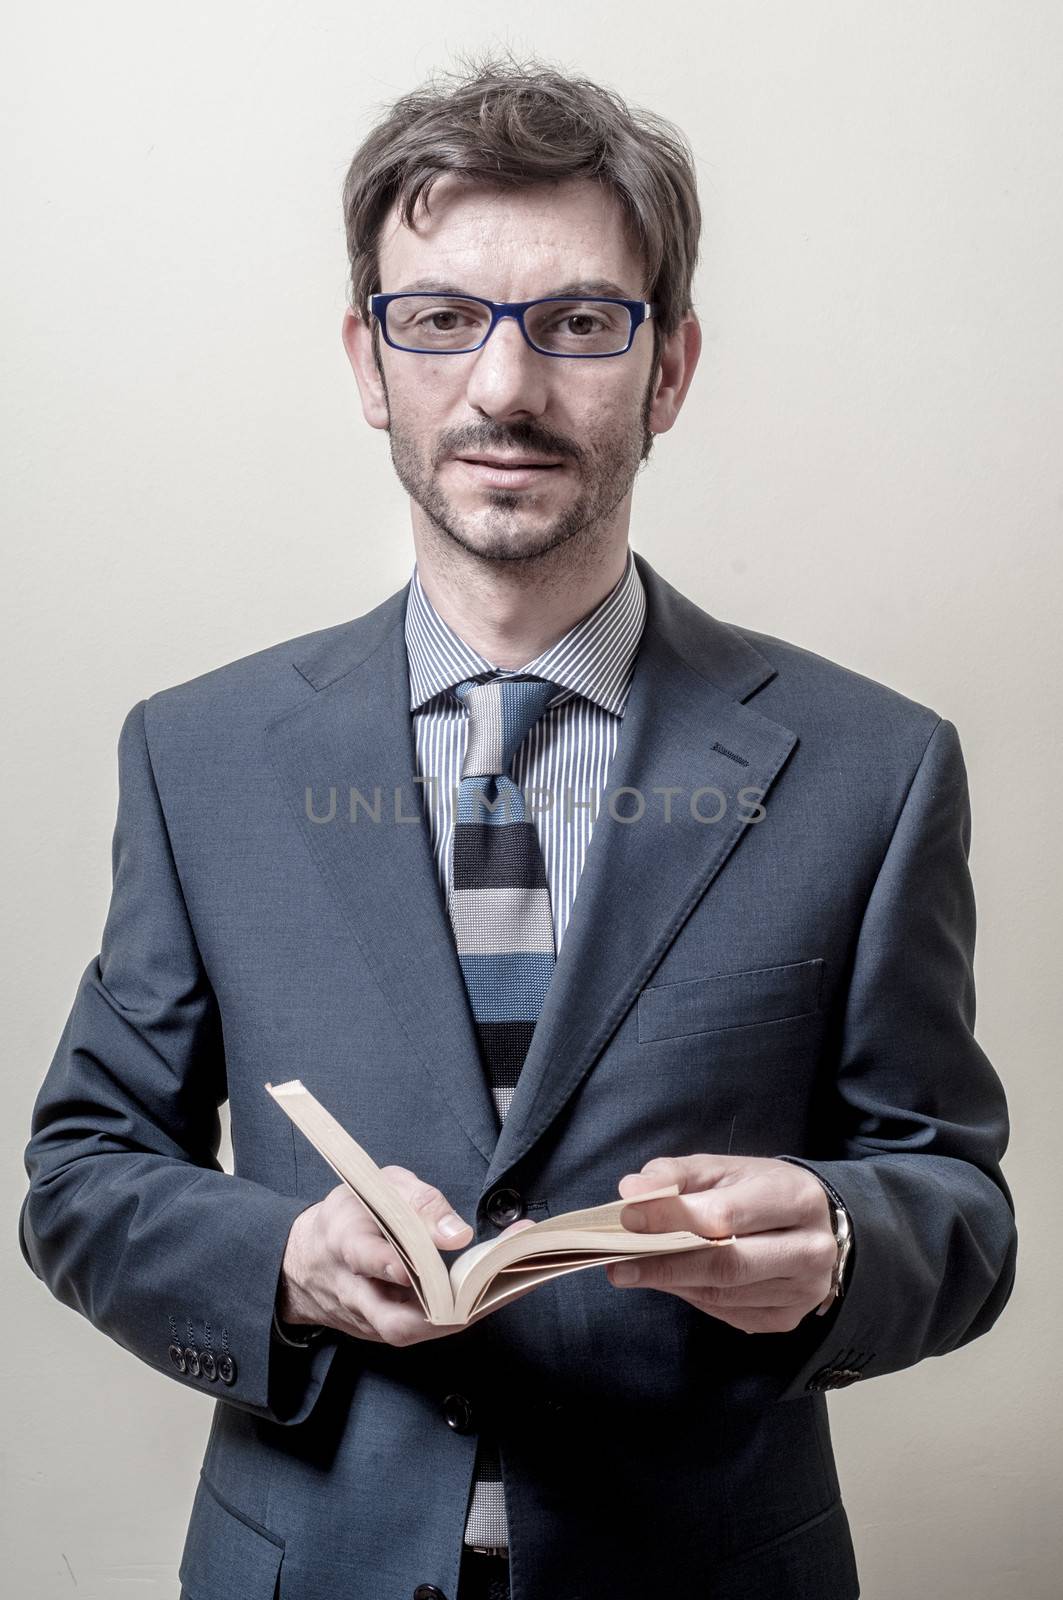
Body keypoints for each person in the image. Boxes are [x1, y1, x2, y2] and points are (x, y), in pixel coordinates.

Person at [19, 55, 1017, 1600]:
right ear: (371, 360)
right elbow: (82, 1169)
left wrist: (834, 1237)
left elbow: (956, 1201)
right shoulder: (197, 754)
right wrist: (280, 1264)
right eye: (441, 319)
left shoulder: (874, 767)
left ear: (670, 368)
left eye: (578, 323)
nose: (504, 387)